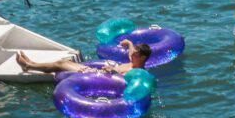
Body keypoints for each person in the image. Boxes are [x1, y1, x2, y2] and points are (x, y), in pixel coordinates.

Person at [16, 40, 151, 76]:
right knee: (65, 62)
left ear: (143, 58)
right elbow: (131, 52)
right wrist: (130, 44)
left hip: (96, 76)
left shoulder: (137, 71)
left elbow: (125, 77)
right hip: (98, 72)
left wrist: (113, 71)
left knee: (61, 64)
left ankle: (28, 66)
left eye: (136, 53)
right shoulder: (134, 61)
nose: (132, 54)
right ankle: (32, 63)